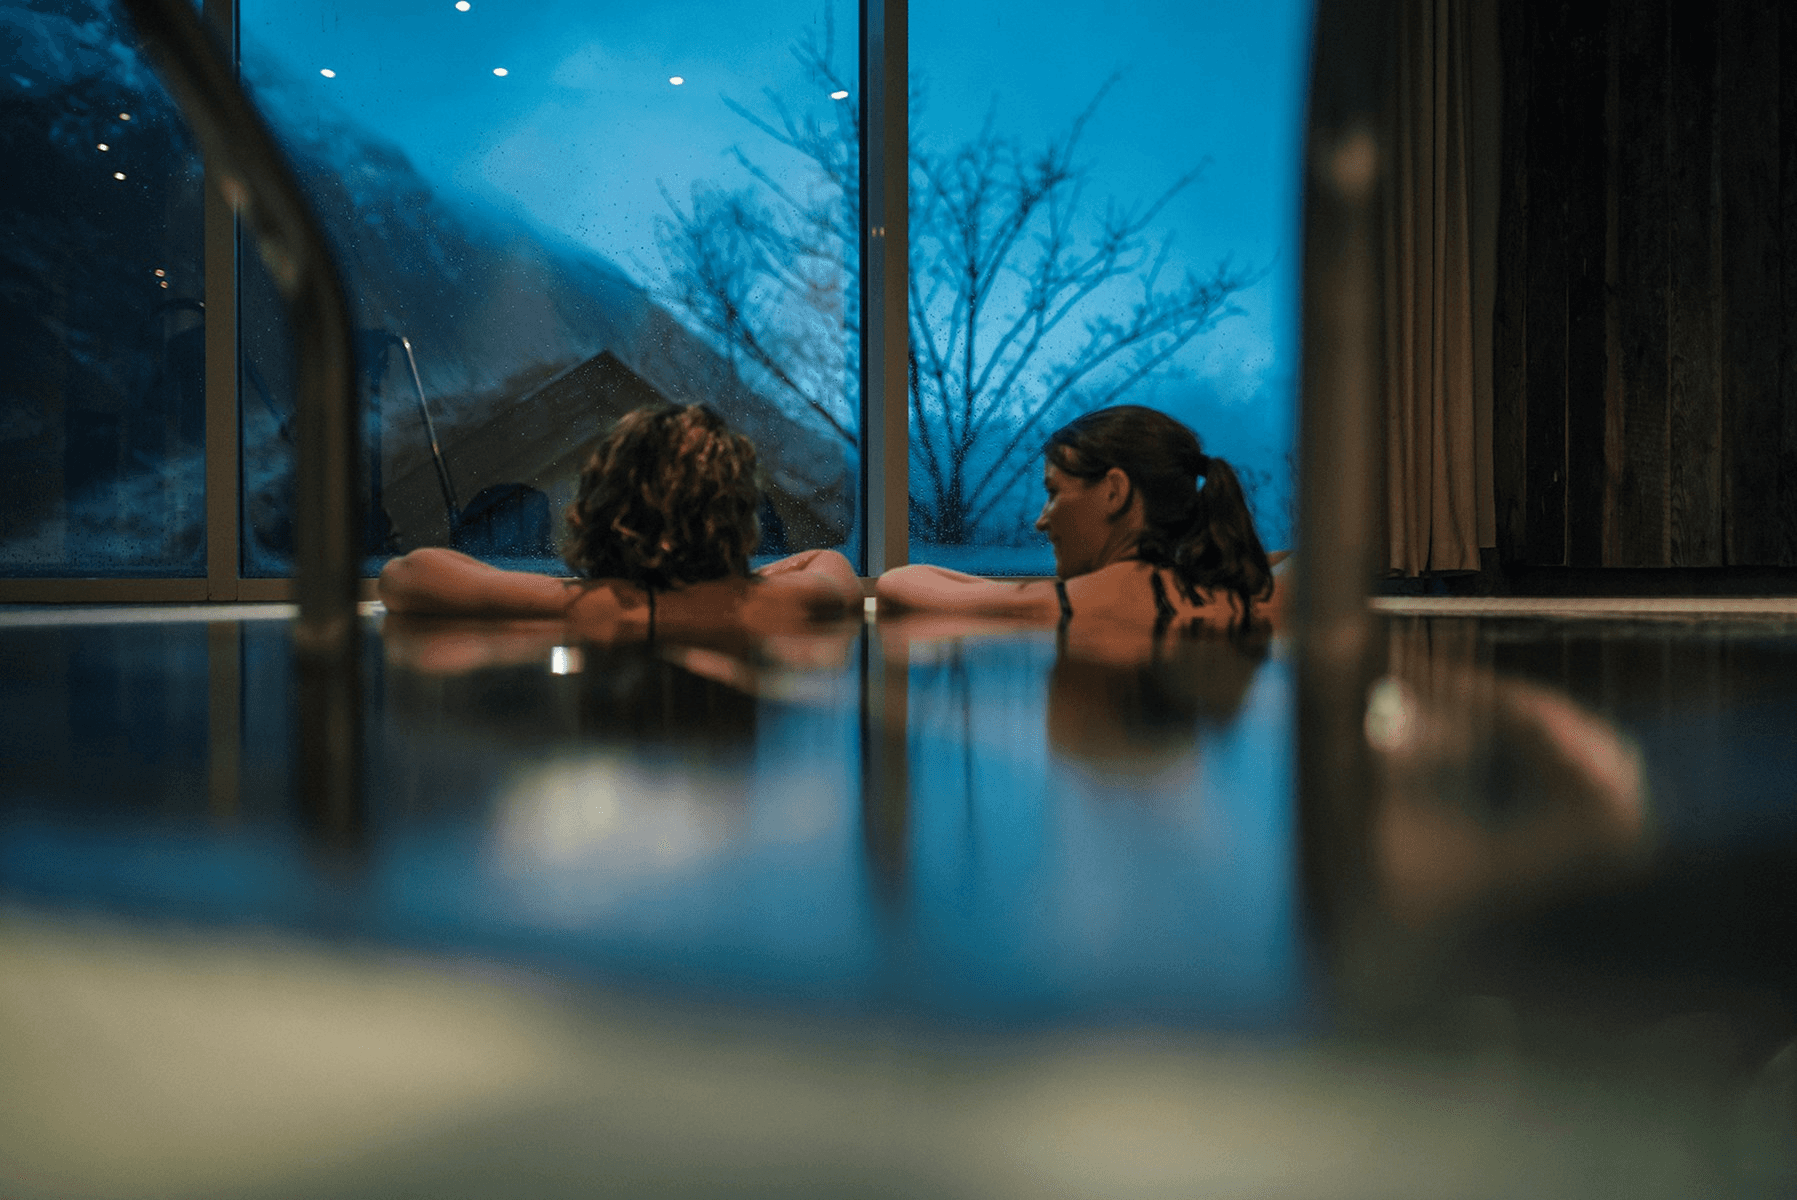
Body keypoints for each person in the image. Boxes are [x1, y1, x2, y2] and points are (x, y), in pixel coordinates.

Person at [378, 402, 862, 634]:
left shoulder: (576, 604)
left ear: (596, 512)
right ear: (737, 521)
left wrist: (595, 600)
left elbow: (406, 575)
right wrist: (730, 590)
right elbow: (830, 564)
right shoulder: (781, 604)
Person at [876, 405, 1286, 633]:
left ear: (1114, 491)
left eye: (1054, 493)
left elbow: (898, 585)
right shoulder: (1254, 595)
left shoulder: (1082, 604)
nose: (1041, 521)